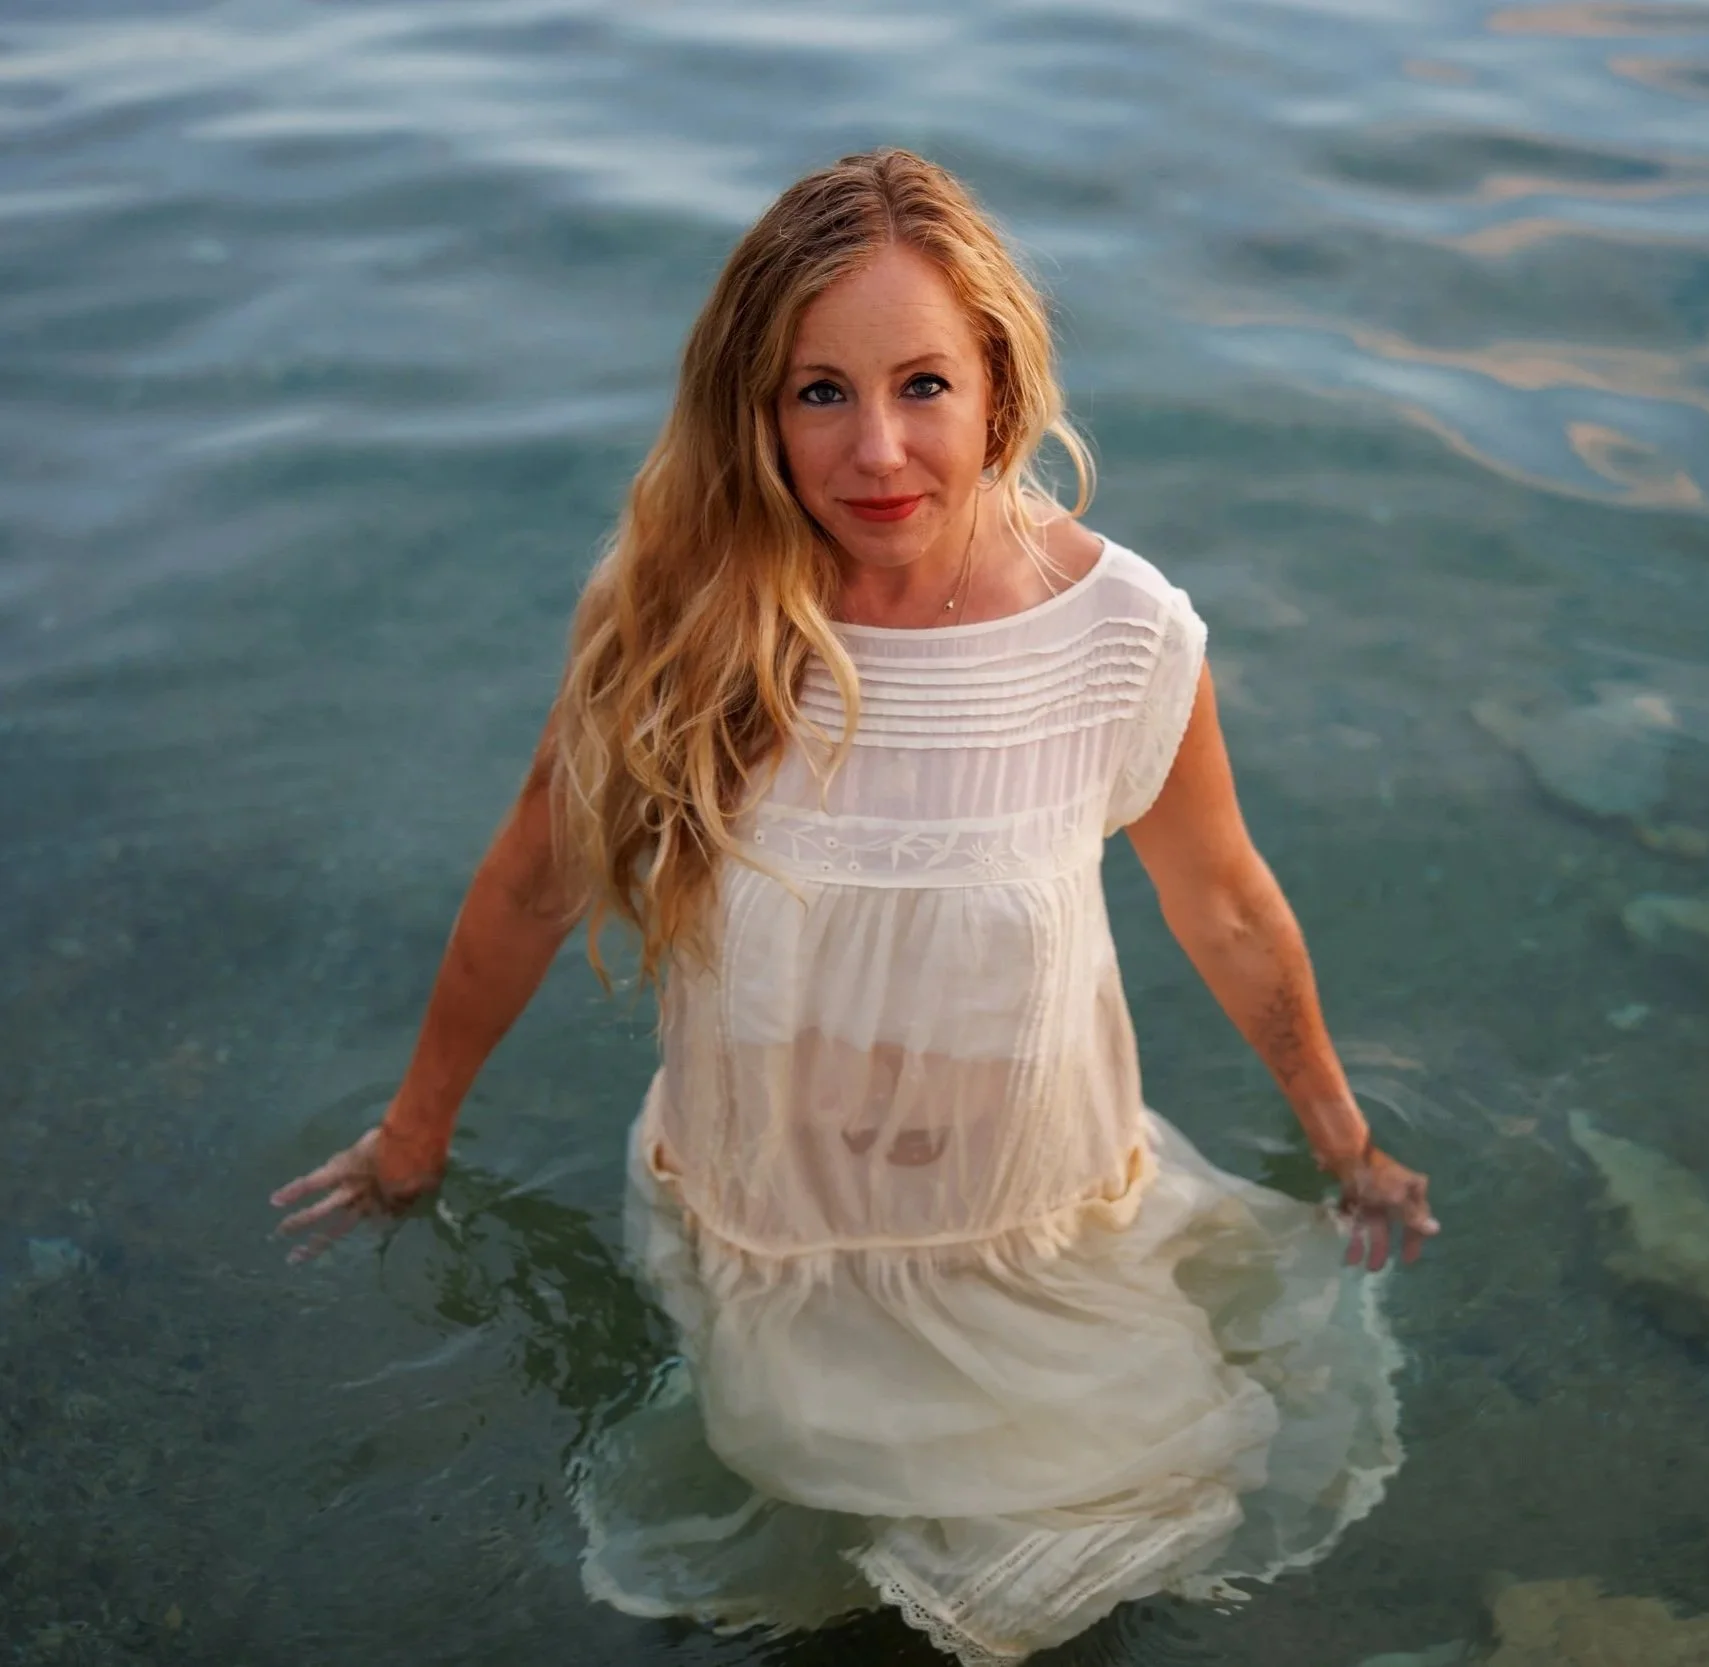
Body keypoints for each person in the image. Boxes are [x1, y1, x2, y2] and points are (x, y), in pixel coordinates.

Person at [271, 148, 1438, 1665]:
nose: (878, 449)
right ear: (753, 410)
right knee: (810, 1560)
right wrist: (415, 1134)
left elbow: (1221, 900)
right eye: (821, 392)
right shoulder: (676, 624)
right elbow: (525, 885)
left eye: (923, 384)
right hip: (769, 1233)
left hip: (1033, 1231)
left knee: (1123, 1543)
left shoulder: (1121, 637)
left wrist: (1342, 1137)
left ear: (1000, 388)